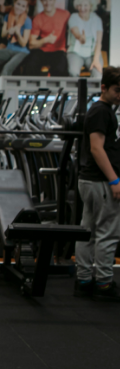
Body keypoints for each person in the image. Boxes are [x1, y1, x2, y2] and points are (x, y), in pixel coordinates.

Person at [75, 66, 120, 301]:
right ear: (103, 88)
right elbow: (96, 148)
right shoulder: (101, 112)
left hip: (91, 181)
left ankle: (83, 280)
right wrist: (114, 179)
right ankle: (103, 282)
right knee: (107, 234)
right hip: (100, 182)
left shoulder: (103, 110)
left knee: (88, 232)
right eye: (117, 90)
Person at [19, 0, 70, 76]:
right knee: (30, 66)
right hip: (42, 51)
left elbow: (75, 28)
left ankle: (57, 90)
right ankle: (31, 90)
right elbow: (31, 45)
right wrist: (46, 40)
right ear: (41, 1)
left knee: (60, 69)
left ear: (54, 0)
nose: (48, 3)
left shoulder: (65, 14)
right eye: (45, 0)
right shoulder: (38, 18)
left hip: (59, 51)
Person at [67, 0, 104, 78]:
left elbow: (98, 42)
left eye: (85, 5)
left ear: (91, 6)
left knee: (98, 74)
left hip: (92, 53)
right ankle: (75, 91)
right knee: (73, 72)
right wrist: (81, 38)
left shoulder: (97, 19)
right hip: (75, 52)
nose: (82, 8)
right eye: (80, 5)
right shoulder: (73, 17)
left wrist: (96, 60)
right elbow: (76, 33)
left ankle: (92, 92)